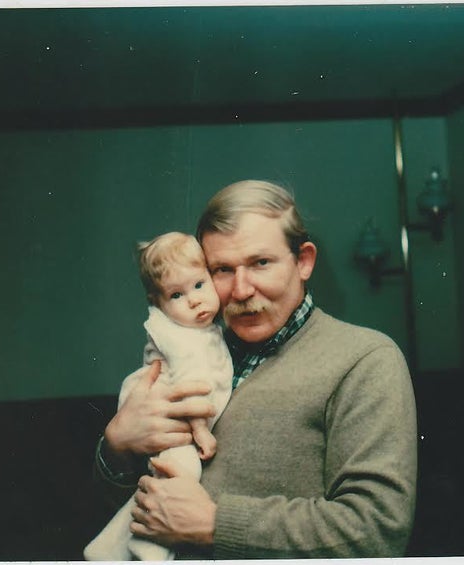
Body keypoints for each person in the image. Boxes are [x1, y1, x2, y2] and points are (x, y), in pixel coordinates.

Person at [95, 180, 418, 559]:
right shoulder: (194, 356)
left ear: (303, 261)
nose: (242, 289)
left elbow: (378, 530)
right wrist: (116, 447)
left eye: (260, 263)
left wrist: (215, 524)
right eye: (222, 269)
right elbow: (131, 512)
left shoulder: (365, 359)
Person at [84, 232, 233, 561]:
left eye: (199, 284)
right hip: (172, 418)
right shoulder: (182, 341)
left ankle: (107, 547)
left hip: (167, 417)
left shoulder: (199, 328)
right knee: (181, 478)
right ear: (157, 302)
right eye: (177, 294)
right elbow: (187, 389)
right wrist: (201, 431)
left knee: (160, 486)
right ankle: (146, 549)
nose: (195, 300)